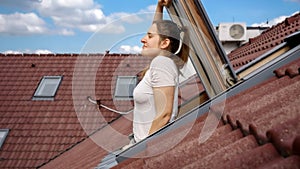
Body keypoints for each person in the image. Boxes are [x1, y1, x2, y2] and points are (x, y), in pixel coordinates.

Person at [131, 0, 190, 144]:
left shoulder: (161, 64)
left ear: (165, 43)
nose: (143, 40)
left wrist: (144, 148)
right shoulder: (162, 61)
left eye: (149, 36)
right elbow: (159, 32)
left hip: (148, 148)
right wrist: (159, 7)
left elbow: (165, 115)